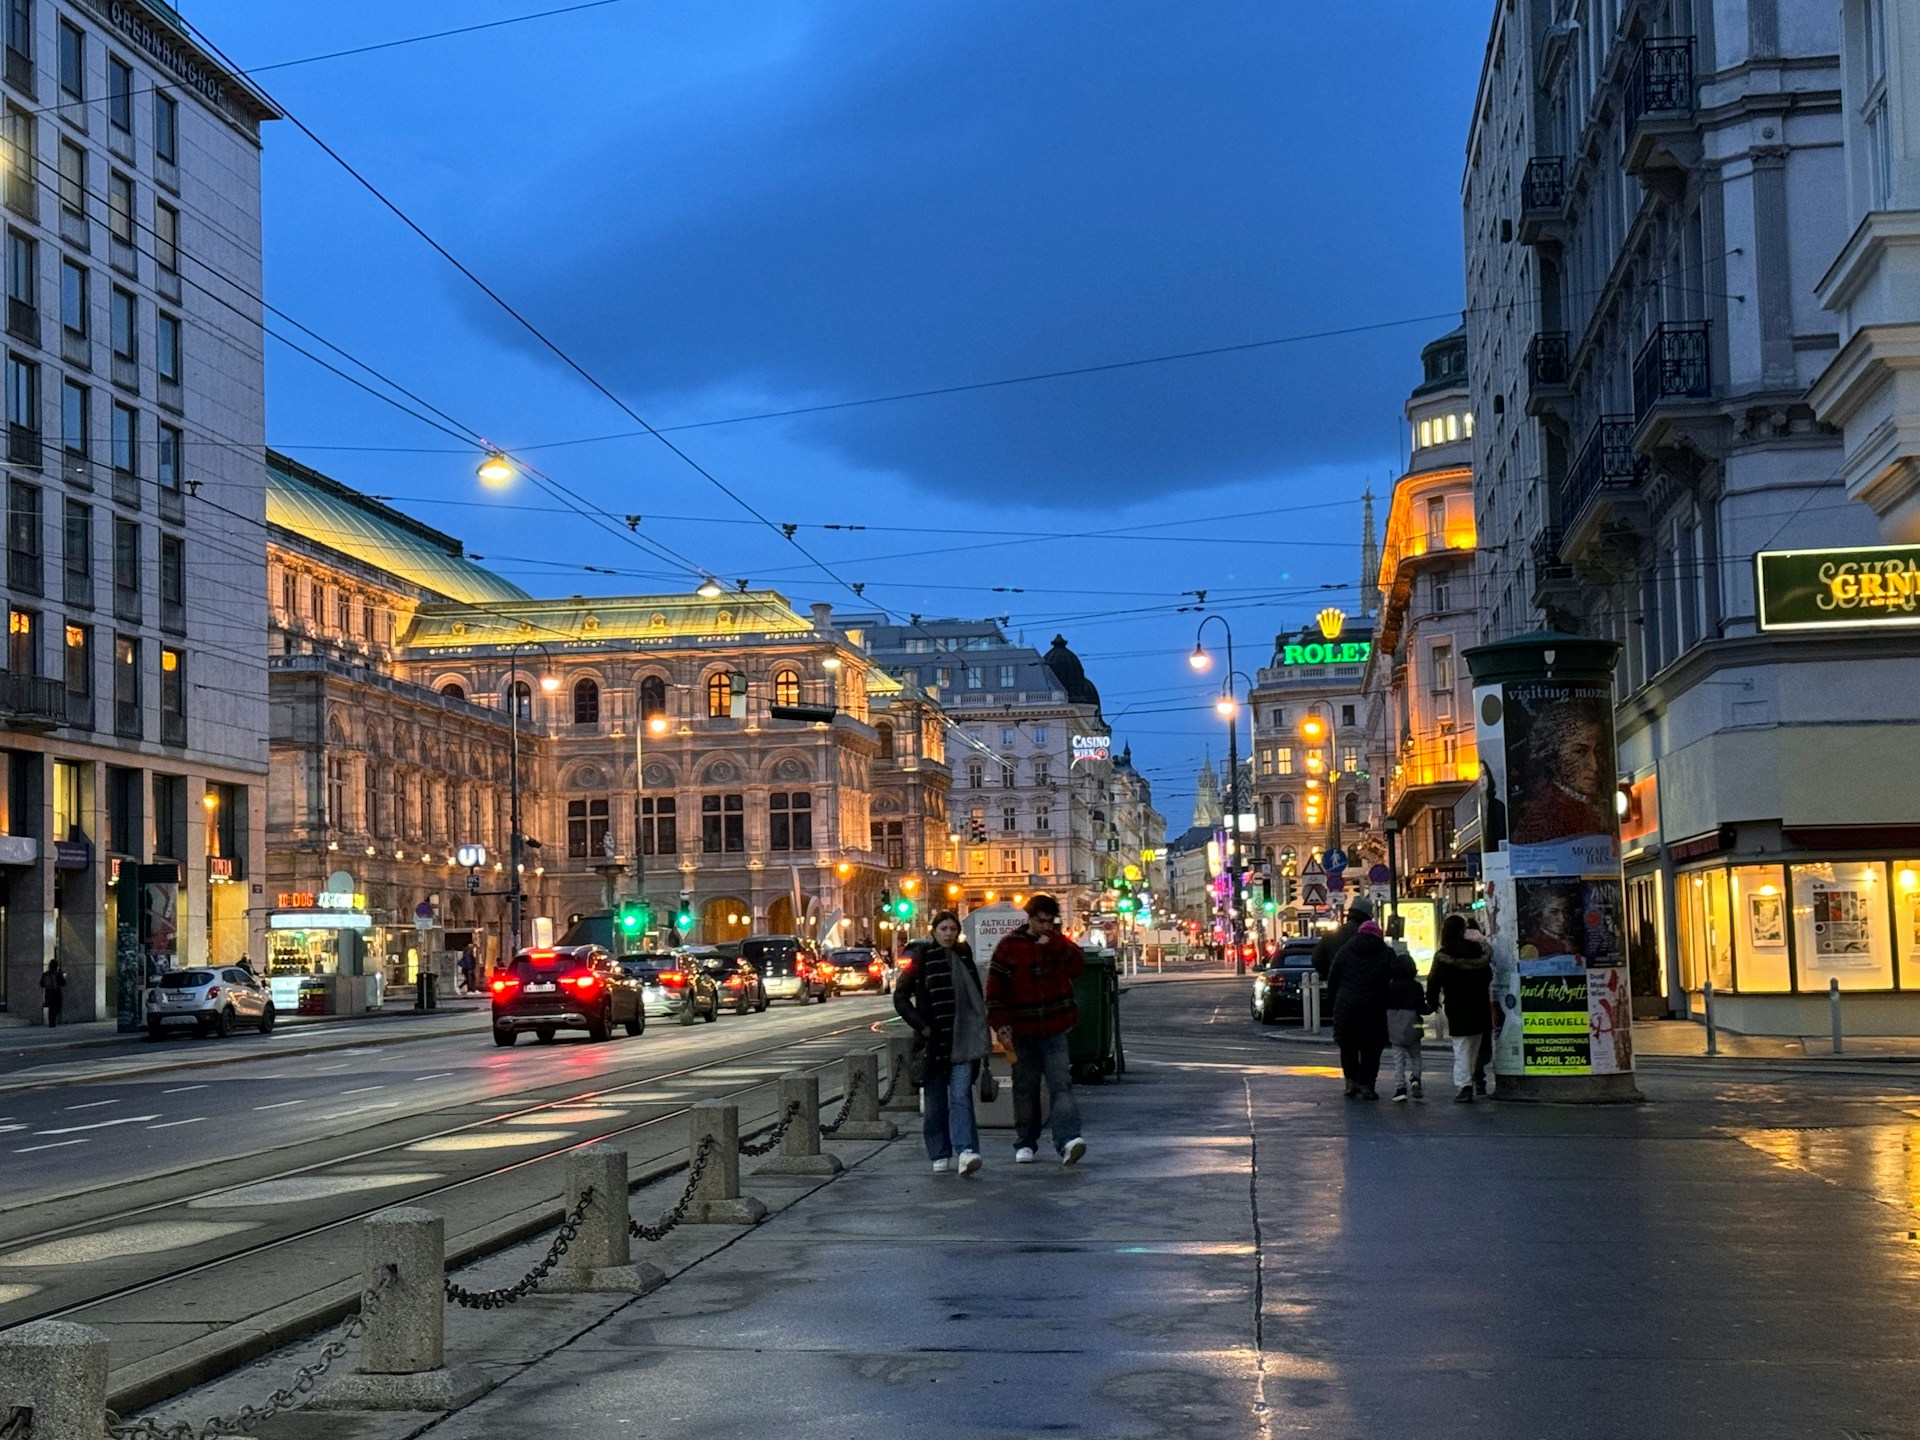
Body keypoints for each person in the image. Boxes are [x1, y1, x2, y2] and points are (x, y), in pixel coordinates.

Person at [985, 894, 1088, 1165]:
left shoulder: (1056, 942)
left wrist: (1055, 942)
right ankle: (1026, 1141)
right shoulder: (1009, 947)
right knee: (1025, 1087)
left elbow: (1078, 966)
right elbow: (995, 991)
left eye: (1050, 922)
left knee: (1061, 1086)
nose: (1046, 927)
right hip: (1022, 1029)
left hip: (1054, 1027)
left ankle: (1067, 1140)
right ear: (1030, 919)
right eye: (1041, 922)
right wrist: (1000, 1025)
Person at [894, 911, 989, 1176]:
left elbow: (976, 997)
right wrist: (922, 1026)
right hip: (933, 1045)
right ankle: (939, 1152)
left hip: (962, 1040)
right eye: (943, 928)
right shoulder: (922, 959)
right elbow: (900, 997)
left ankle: (966, 1151)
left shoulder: (964, 957)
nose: (948, 933)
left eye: (952, 929)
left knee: (960, 1097)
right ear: (934, 931)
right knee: (936, 1103)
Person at [1512, 700, 1612, 844]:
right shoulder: (1544, 818)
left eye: (1599, 751)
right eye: (1580, 752)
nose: (1594, 765)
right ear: (1553, 756)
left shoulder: (1591, 805)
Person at [1428, 913, 1494, 1102]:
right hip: (1479, 1004)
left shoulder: (1443, 956)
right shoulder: (1477, 952)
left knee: (1461, 1046)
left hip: (1457, 1006)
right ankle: (1471, 1079)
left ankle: (1464, 1085)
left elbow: (1434, 981)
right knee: (1474, 1045)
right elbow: (1487, 975)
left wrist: (1432, 1002)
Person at [1326, 918, 1393, 1100]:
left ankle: (1350, 1082)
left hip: (1346, 1006)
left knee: (1348, 1045)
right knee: (1371, 1048)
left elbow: (1333, 979)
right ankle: (1367, 1086)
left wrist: (1333, 1004)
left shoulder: (1345, 951)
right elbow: (1393, 980)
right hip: (1374, 1007)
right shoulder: (1385, 952)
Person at [1385, 948, 1427, 1102]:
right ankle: (1416, 1079)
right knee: (1416, 1055)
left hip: (1395, 1027)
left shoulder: (1390, 987)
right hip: (1413, 1025)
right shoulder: (1416, 987)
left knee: (1398, 1059)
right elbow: (1422, 1007)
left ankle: (1400, 1088)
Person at [1311, 898, 1372, 982]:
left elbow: (1316, 958)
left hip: (1339, 985)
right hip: (1365, 984)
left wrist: (1331, 973)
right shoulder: (1369, 936)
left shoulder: (1332, 935)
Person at [41, 957, 66, 1027]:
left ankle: (51, 1022)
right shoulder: (58, 974)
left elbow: (41, 984)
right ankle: (53, 1019)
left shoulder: (46, 974)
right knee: (57, 1007)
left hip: (48, 993)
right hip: (56, 992)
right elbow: (63, 983)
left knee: (50, 1008)